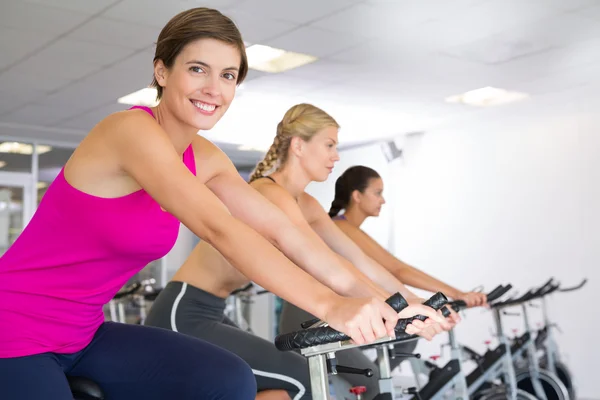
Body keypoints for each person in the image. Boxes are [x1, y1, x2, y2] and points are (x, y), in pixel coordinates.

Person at [0, 8, 417, 400]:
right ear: (162, 71)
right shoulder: (128, 130)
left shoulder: (206, 157)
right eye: (197, 69)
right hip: (14, 330)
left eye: (228, 75)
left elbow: (284, 233)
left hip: (84, 334)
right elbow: (222, 229)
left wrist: (396, 304)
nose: (213, 89)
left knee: (228, 379)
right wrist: (330, 306)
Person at [246, 103, 453, 398]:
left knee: (306, 387)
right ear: (298, 146)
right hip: (196, 307)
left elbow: (358, 260)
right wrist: (396, 304)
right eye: (329, 145)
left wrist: (411, 300)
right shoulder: (270, 194)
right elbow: (326, 262)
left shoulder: (306, 204)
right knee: (301, 385)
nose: (336, 156)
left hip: (234, 309)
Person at [329, 165, 487, 308]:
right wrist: (457, 294)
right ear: (357, 196)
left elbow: (393, 270)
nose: (383, 200)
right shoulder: (342, 227)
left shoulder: (347, 228)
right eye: (377, 193)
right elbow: (398, 270)